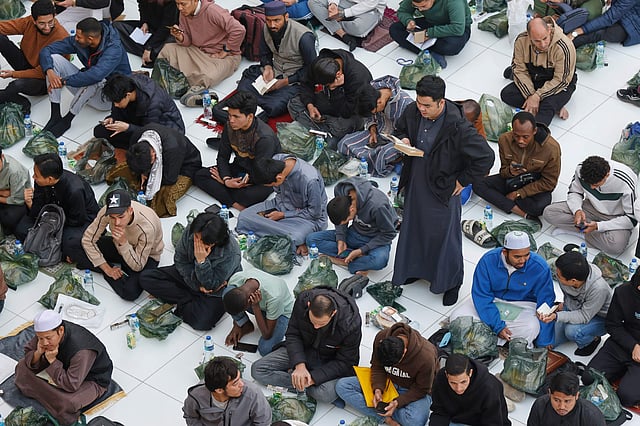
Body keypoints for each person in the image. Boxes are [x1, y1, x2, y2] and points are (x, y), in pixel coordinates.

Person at [390, 75, 494, 306]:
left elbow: (486, 157)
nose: (422, 109)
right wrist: (404, 139)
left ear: (441, 102)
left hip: (444, 186)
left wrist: (463, 180)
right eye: (419, 103)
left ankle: (450, 283)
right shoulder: (413, 111)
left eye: (427, 105)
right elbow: (400, 129)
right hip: (417, 178)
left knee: (445, 237)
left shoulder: (458, 127)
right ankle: (416, 270)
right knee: (415, 227)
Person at [251, 286, 362, 403]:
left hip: (329, 360)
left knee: (325, 394)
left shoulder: (350, 323)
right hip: (303, 350)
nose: (316, 327)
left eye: (321, 323)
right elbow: (293, 334)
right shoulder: (302, 302)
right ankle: (300, 381)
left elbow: (345, 362)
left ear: (333, 313)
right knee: (257, 370)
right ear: (309, 306)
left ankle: (300, 381)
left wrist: (313, 378)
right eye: (313, 322)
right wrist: (299, 365)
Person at [451, 231, 556, 348]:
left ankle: (483, 337)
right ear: (505, 252)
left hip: (522, 305)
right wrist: (498, 326)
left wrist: (545, 340)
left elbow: (546, 301)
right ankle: (495, 337)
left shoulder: (539, 266)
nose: (523, 260)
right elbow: (481, 295)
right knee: (457, 317)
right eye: (517, 256)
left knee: (531, 328)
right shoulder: (487, 261)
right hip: (492, 300)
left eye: (526, 255)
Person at [139, 212, 242, 330]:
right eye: (195, 237)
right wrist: (196, 285)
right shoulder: (193, 231)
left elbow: (211, 285)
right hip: (190, 275)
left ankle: (180, 300)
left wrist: (201, 261)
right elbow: (179, 259)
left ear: (213, 243)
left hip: (215, 290)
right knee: (146, 278)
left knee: (202, 322)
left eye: (199, 239)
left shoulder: (231, 253)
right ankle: (188, 299)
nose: (195, 241)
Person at [216, 1, 316, 119]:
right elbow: (264, 54)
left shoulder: (304, 37)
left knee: (275, 106)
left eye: (277, 20)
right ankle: (259, 102)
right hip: (275, 71)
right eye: (268, 20)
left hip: (295, 79)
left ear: (286, 17)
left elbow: (311, 69)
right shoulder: (266, 28)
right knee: (243, 86)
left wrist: (283, 82)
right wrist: (268, 67)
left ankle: (258, 102)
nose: (272, 25)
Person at [14, 310, 114, 426]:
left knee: (68, 402)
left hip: (91, 380)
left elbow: (71, 385)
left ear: (60, 331)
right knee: (21, 368)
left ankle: (44, 395)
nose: (45, 342)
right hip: (64, 369)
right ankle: (50, 398)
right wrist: (38, 353)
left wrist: (52, 361)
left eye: (48, 338)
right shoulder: (46, 332)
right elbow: (28, 354)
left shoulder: (82, 351)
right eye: (41, 338)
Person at [39, 17, 131, 138]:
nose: (75, 38)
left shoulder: (114, 50)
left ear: (90, 39)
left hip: (109, 98)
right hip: (88, 87)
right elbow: (46, 50)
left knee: (94, 79)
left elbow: (96, 75)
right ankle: (55, 114)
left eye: (78, 36)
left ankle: (67, 121)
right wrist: (50, 72)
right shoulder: (81, 41)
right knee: (54, 59)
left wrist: (64, 81)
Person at [336, 323, 438, 426]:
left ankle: (382, 409)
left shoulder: (426, 357)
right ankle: (385, 418)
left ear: (404, 352)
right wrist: (377, 389)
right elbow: (377, 367)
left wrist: (397, 402)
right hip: (387, 382)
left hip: (412, 389)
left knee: (415, 421)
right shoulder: (381, 337)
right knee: (342, 386)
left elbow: (422, 389)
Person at [193, 92, 281, 211]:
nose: (231, 120)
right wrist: (227, 179)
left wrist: (232, 182)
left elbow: (261, 173)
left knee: (248, 196)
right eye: (229, 115)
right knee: (199, 175)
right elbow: (223, 157)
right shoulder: (230, 126)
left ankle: (228, 196)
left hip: (260, 177)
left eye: (236, 116)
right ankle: (235, 204)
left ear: (250, 116)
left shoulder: (264, 138)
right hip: (240, 167)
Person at [472, 111, 561, 221]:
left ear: (534, 131)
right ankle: (520, 212)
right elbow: (503, 171)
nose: (520, 141)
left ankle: (504, 199)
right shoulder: (504, 140)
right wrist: (510, 171)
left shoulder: (551, 148)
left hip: (535, 185)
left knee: (539, 208)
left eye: (525, 137)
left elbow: (549, 182)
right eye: (516, 135)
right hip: (513, 180)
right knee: (477, 185)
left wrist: (519, 193)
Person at [543, 155, 637, 256]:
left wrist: (598, 226)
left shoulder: (625, 181)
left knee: (616, 246)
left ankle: (583, 231)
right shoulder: (581, 170)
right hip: (590, 207)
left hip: (616, 216)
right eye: (589, 184)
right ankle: (588, 232)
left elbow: (632, 219)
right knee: (549, 213)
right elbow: (574, 192)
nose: (592, 188)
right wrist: (577, 210)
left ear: (607, 174)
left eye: (596, 185)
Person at [79, 189, 163, 301]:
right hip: (117, 244)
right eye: (113, 218)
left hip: (145, 256)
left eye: (121, 217)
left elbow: (138, 265)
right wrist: (107, 268)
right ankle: (108, 269)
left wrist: (124, 243)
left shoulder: (147, 227)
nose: (117, 222)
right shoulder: (107, 212)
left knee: (130, 292)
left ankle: (100, 267)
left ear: (130, 210)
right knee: (75, 244)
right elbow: (88, 239)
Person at [15, 153, 99, 265]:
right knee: (21, 229)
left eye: (36, 175)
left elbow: (78, 219)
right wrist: (38, 213)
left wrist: (54, 226)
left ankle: (60, 252)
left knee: (68, 242)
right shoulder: (40, 181)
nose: (34, 177)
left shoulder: (74, 190)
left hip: (78, 220)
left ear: (49, 179)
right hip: (52, 215)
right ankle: (51, 248)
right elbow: (39, 204)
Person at [157, 0, 245, 106]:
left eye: (183, 4)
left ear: (194, 1)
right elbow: (187, 41)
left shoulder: (213, 11)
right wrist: (180, 36)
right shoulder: (184, 12)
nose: (180, 8)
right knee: (167, 49)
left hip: (221, 56)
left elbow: (239, 30)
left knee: (210, 76)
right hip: (197, 50)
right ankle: (174, 83)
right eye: (177, 4)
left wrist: (225, 51)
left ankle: (192, 89)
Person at [236, 154, 328, 255]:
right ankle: (282, 238)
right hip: (281, 205)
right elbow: (279, 194)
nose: (273, 187)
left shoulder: (310, 180)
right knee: (244, 217)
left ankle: (281, 235)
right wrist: (278, 211)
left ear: (279, 178)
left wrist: (283, 215)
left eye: (272, 185)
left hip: (307, 217)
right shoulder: (277, 160)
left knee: (295, 236)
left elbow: (315, 213)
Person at [306, 176, 398, 275]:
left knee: (379, 261)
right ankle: (358, 259)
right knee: (311, 240)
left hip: (376, 238)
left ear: (352, 210)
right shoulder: (342, 193)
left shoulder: (378, 206)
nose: (349, 220)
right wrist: (341, 238)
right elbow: (341, 220)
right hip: (355, 232)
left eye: (349, 219)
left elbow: (389, 234)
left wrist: (362, 250)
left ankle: (347, 260)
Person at [288, 48, 372, 148]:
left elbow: (347, 112)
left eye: (327, 85)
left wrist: (334, 89)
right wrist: (310, 105)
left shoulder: (358, 78)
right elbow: (306, 83)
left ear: (338, 75)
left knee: (340, 127)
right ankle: (325, 133)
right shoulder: (320, 64)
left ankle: (321, 130)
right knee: (294, 103)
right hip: (329, 100)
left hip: (353, 111)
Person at [501, 17, 577, 126]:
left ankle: (539, 127)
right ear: (529, 35)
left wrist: (537, 96)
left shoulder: (564, 46)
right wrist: (531, 95)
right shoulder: (521, 40)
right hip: (535, 75)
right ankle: (554, 105)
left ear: (549, 31)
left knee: (547, 107)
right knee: (507, 94)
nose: (543, 44)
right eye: (536, 40)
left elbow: (561, 80)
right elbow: (520, 70)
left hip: (559, 82)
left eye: (545, 38)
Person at [583, 271, 640, 408]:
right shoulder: (623, 292)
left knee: (627, 397)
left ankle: (628, 375)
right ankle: (622, 371)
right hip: (623, 343)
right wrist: (633, 346)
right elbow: (613, 325)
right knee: (589, 378)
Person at [338, 75, 414, 177]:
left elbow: (408, 135)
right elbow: (370, 117)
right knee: (344, 143)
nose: (375, 113)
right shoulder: (371, 91)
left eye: (375, 111)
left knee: (382, 156)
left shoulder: (405, 104)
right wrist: (372, 129)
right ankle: (369, 159)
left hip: (398, 140)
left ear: (379, 102)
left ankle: (380, 160)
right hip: (379, 132)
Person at [0, 0, 68, 114]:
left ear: (54, 16)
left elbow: (42, 72)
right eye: (42, 23)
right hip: (27, 64)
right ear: (34, 20)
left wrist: (14, 74)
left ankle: (22, 102)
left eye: (50, 22)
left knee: (15, 85)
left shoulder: (61, 38)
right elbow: (6, 27)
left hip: (43, 80)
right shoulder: (29, 22)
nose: (47, 27)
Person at [539, 251, 611, 356]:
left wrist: (557, 316)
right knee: (545, 343)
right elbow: (568, 297)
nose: (556, 276)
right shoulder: (564, 273)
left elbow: (584, 316)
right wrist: (563, 308)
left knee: (572, 331)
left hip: (600, 317)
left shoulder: (598, 289)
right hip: (575, 308)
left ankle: (591, 340)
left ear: (573, 281)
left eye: (559, 276)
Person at [125, 124, 202, 217]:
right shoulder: (137, 137)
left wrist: (149, 177)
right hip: (168, 159)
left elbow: (170, 178)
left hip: (185, 166)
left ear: (153, 154)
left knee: (163, 197)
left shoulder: (173, 148)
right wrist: (142, 173)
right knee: (125, 172)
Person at [94, 73, 185, 149]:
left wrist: (128, 128)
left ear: (128, 95)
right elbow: (117, 110)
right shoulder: (124, 88)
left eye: (117, 102)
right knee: (99, 131)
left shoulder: (153, 103)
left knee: (142, 148)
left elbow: (151, 131)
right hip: (139, 120)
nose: (115, 105)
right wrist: (112, 118)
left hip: (164, 128)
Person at [222, 268, 295, 355]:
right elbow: (232, 300)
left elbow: (267, 334)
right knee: (227, 293)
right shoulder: (236, 278)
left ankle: (269, 320)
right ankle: (245, 325)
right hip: (260, 304)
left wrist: (256, 306)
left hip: (282, 311)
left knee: (265, 349)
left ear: (249, 302)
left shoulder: (274, 296)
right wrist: (237, 325)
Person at [183, 357, 272, 425]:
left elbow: (263, 423)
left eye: (240, 378)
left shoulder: (253, 394)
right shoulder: (196, 397)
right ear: (219, 390)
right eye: (235, 383)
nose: (242, 384)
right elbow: (191, 417)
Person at [429, 353, 511, 426]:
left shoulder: (489, 388)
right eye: (453, 383)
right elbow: (439, 410)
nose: (458, 388)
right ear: (446, 375)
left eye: (463, 382)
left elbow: (494, 422)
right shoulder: (441, 378)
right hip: (454, 420)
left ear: (470, 373)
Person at [389, 0, 472, 68]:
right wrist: (409, 21)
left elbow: (457, 28)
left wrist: (429, 33)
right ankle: (431, 54)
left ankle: (418, 47)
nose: (420, 10)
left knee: (452, 45)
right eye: (416, 7)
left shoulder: (454, 2)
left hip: (455, 28)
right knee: (395, 29)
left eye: (423, 6)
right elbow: (403, 11)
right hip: (431, 22)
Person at [113, 0, 179, 68]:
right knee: (116, 27)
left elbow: (166, 27)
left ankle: (150, 53)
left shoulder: (170, 3)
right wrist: (144, 22)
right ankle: (147, 52)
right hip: (149, 29)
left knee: (161, 51)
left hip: (165, 34)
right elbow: (142, 8)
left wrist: (149, 48)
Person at [527, 371, 606, 425]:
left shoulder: (592, 416)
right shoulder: (540, 405)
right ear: (550, 393)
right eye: (556, 400)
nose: (561, 407)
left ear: (577, 395)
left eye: (567, 401)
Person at [308, 0, 386, 51]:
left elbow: (369, 4)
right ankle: (342, 34)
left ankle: (327, 21)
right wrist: (333, 4)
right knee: (313, 2)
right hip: (345, 2)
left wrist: (344, 14)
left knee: (359, 28)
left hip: (371, 9)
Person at [567, 0, 640, 48]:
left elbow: (609, 18)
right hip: (626, 11)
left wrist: (576, 32)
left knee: (599, 33)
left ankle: (565, 47)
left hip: (634, 26)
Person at [0, 148, 31, 236]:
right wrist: (3, 193)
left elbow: (17, 199)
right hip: (4, 194)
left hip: (17, 200)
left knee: (9, 218)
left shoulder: (14, 171)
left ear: (1, 157)